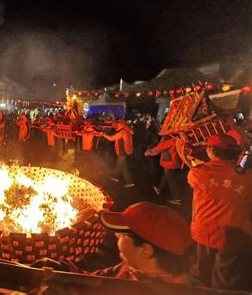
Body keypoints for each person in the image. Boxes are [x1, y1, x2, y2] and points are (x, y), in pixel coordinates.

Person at [34, 202, 198, 286]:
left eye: (122, 234)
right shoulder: (132, 269)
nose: (115, 236)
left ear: (145, 251)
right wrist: (64, 270)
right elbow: (94, 280)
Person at [186, 134, 252, 290]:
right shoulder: (248, 177)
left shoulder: (197, 174)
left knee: (201, 276)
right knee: (226, 282)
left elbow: (200, 170)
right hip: (234, 237)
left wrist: (184, 154)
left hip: (204, 234)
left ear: (210, 150)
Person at [145, 134, 188, 205]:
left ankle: (177, 198)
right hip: (176, 160)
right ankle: (159, 187)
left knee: (171, 179)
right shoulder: (180, 136)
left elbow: (160, 147)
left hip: (169, 162)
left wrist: (148, 152)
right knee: (167, 175)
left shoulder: (168, 138)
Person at [100, 119, 135, 187]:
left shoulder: (122, 131)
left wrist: (104, 134)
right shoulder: (126, 130)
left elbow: (112, 138)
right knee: (124, 167)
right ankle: (129, 181)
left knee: (118, 164)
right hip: (125, 151)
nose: (116, 125)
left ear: (120, 124)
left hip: (123, 151)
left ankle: (115, 176)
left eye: (117, 124)